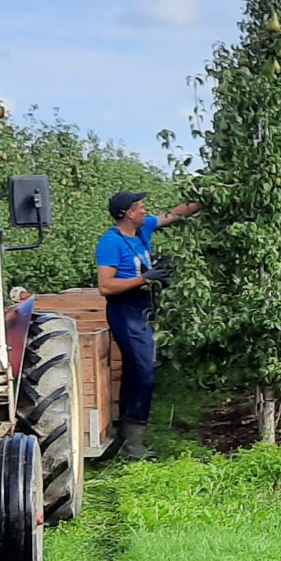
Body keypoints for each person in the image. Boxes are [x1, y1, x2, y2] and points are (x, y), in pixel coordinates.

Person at [95, 189, 200, 460]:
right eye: (140, 207)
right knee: (143, 373)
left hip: (143, 309)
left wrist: (206, 197)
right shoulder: (111, 242)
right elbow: (105, 286)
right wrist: (145, 278)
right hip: (125, 311)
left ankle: (128, 437)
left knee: (136, 371)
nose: (145, 210)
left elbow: (174, 214)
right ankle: (133, 445)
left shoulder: (143, 231)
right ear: (128, 213)